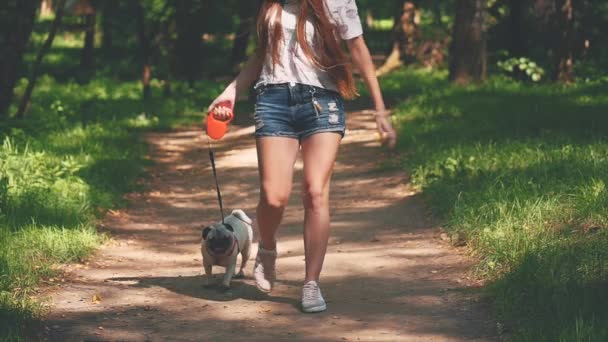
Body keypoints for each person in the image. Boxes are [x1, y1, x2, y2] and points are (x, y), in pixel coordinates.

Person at [207, 0, 397, 313]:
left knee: (315, 192)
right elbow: (261, 56)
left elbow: (358, 48)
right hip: (274, 100)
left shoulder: (337, 2)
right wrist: (231, 91)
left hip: (322, 103)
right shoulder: (272, 5)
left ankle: (311, 283)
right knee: (273, 197)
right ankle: (266, 248)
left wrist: (380, 109)